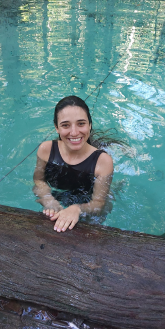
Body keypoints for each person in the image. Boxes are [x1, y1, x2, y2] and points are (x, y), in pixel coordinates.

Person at [33, 96, 114, 233]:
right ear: (56, 128)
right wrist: (48, 199)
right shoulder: (46, 149)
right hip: (57, 196)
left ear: (90, 125)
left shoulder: (103, 161)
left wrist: (77, 209)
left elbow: (98, 204)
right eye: (65, 125)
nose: (74, 132)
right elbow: (38, 180)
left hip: (86, 200)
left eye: (81, 123)